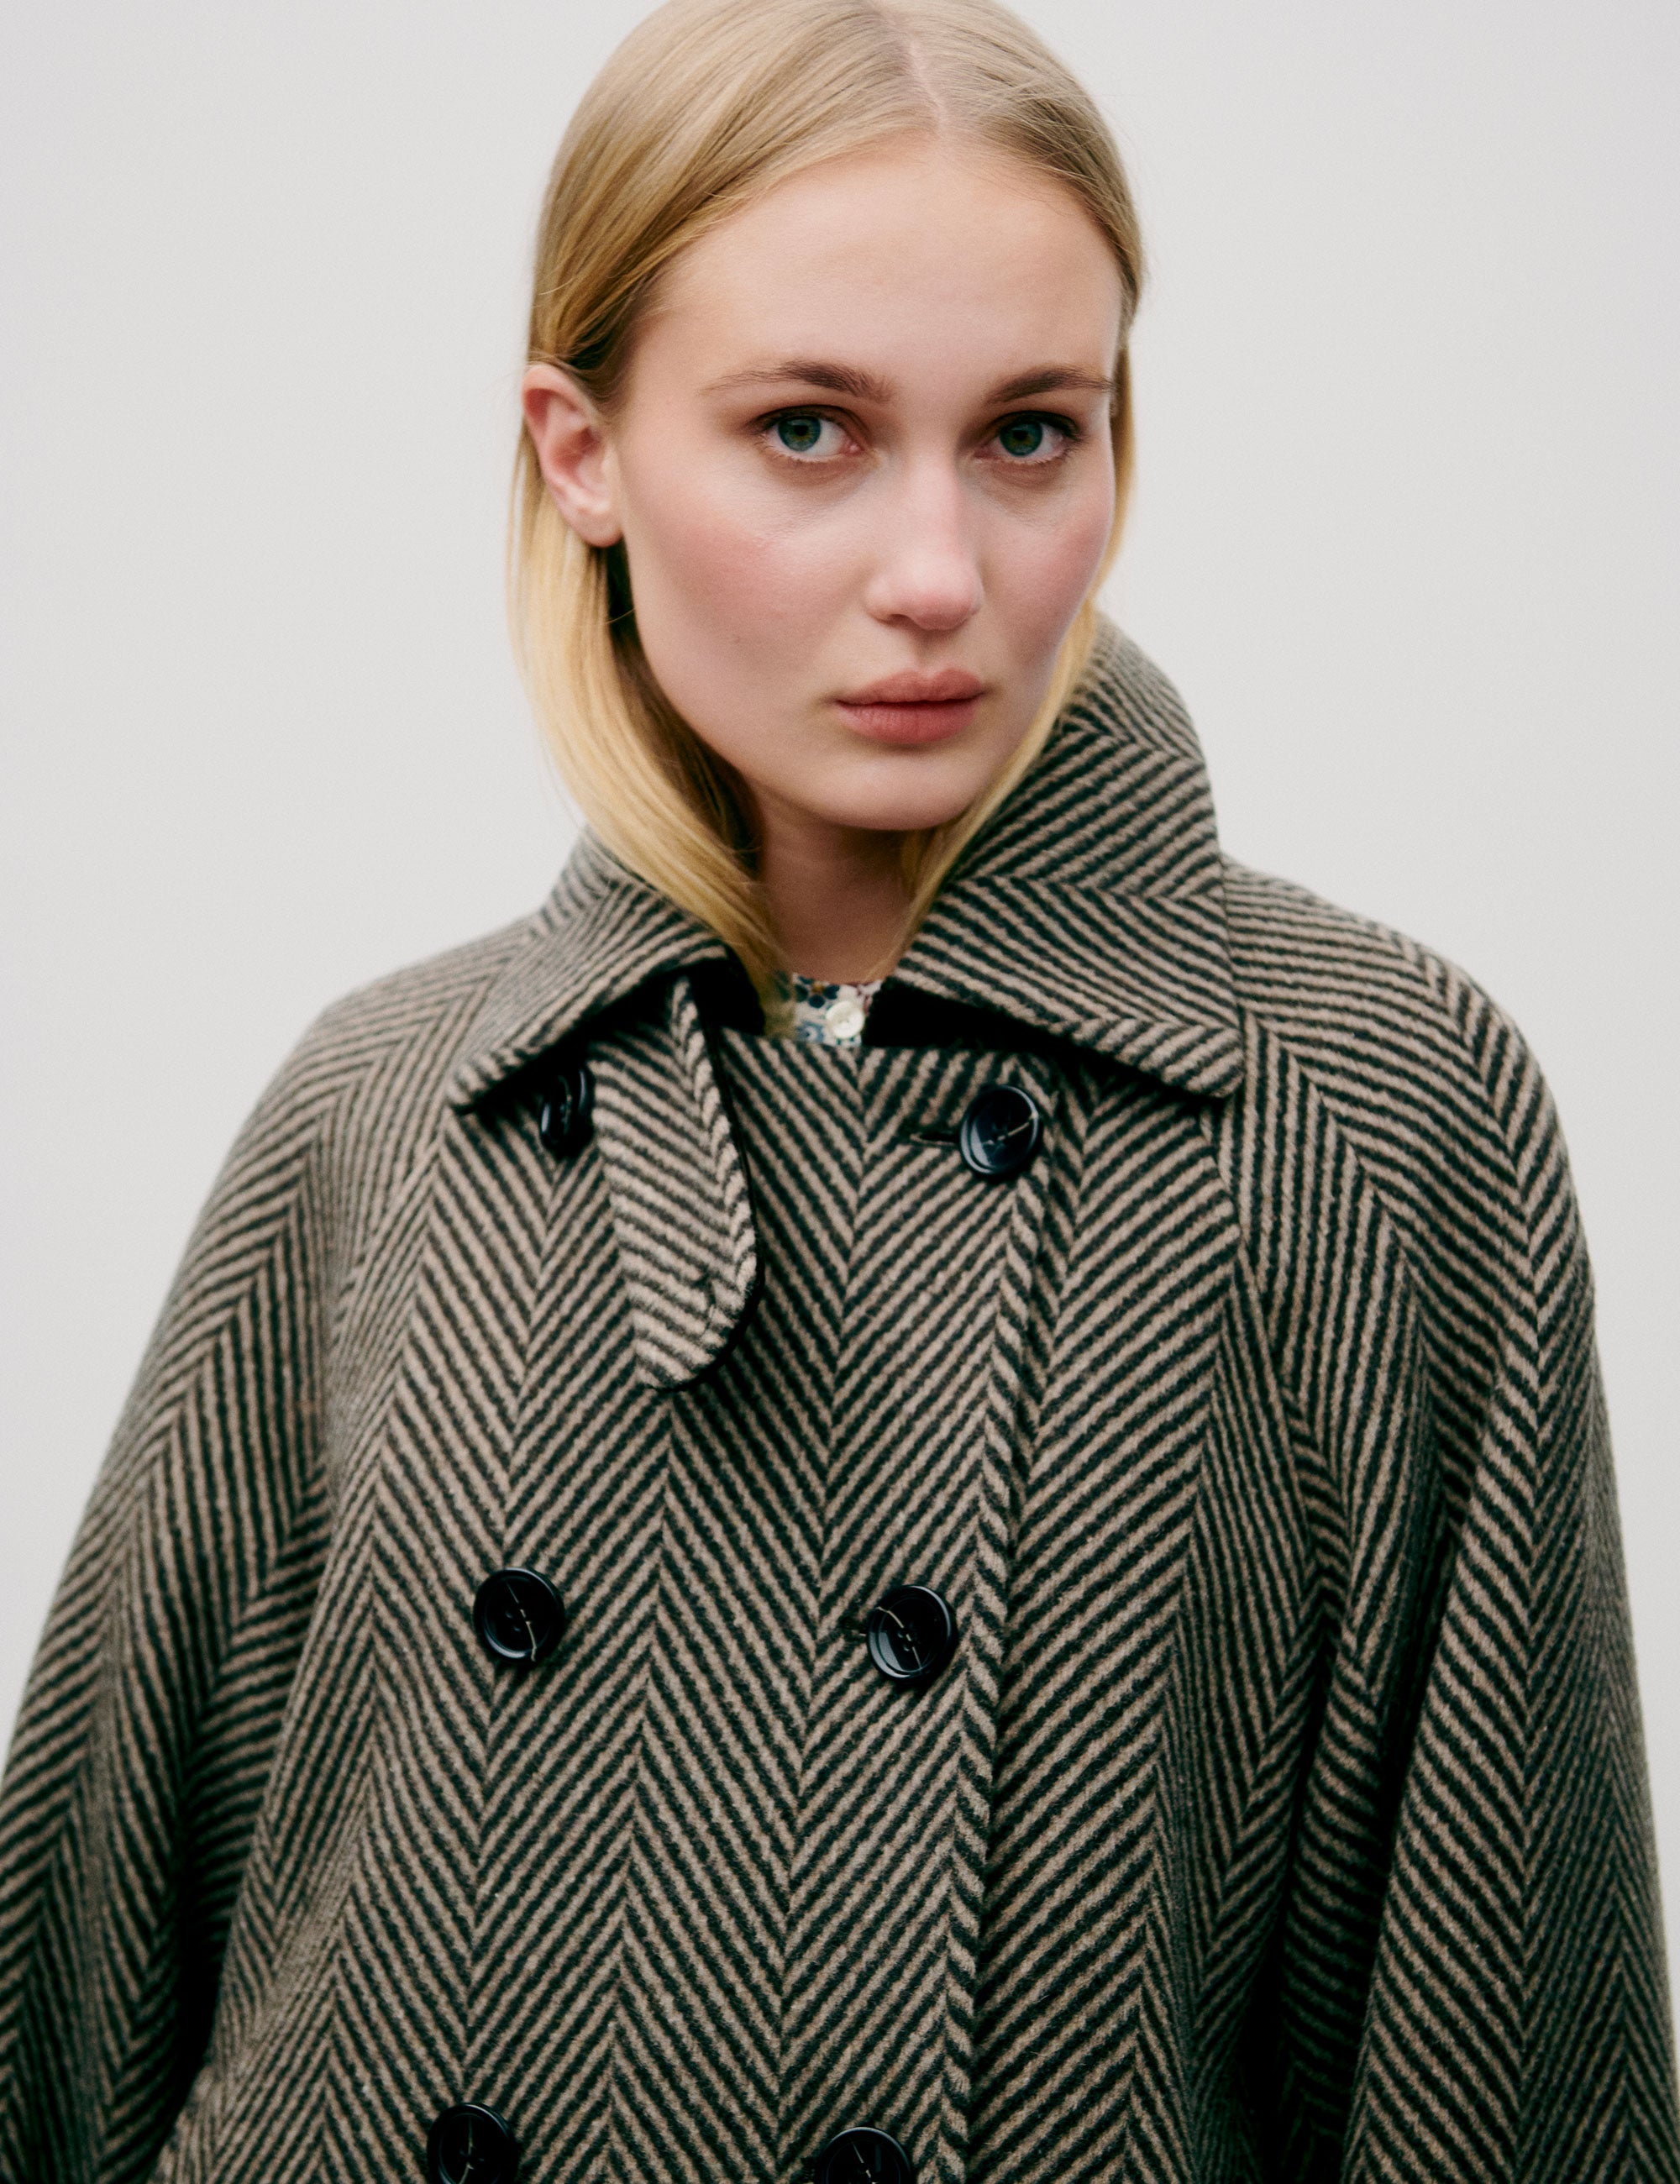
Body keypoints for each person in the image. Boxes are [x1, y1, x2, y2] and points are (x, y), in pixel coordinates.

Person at [0, 0, 1674, 2176]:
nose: (937, 578)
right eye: (807, 429)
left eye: (1029, 435)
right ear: (579, 450)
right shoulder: (385, 1106)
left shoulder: (1367, 1108)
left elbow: (1507, 2058)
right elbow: (72, 2012)